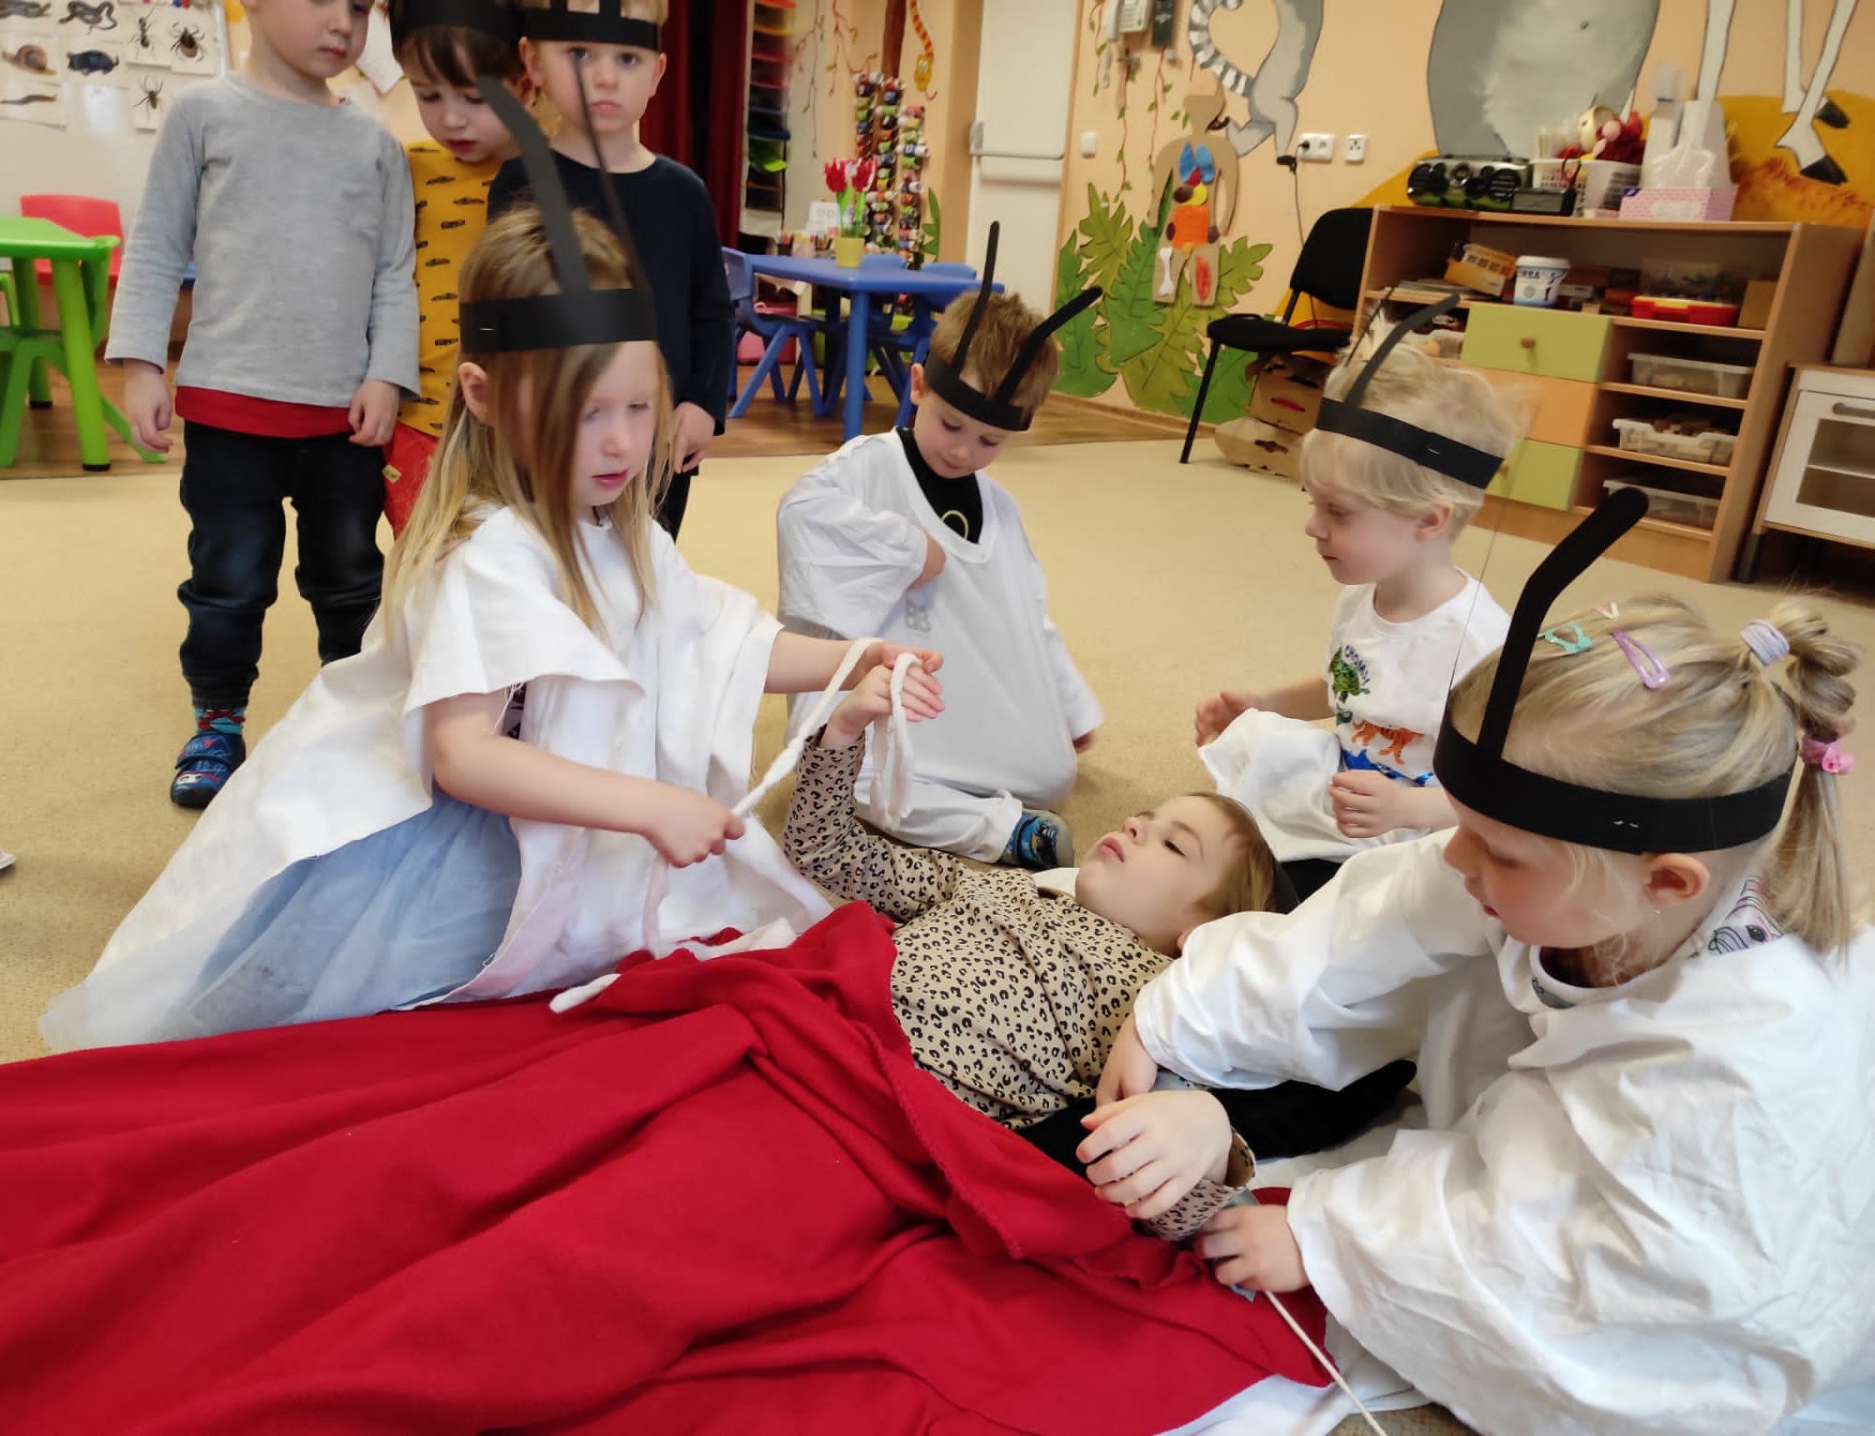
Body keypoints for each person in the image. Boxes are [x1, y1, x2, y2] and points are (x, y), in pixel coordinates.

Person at [44, 193, 932, 1053]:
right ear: (484, 393)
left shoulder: (610, 523)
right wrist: (649, 804)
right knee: (352, 1026)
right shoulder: (487, 553)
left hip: (556, 805)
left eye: (637, 407)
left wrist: (856, 659)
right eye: (587, 414)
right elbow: (462, 756)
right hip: (448, 832)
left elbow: (714, 639)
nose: (623, 443)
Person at [1091, 500, 1874, 1430]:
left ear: (1667, 881)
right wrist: (1178, 1016)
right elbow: (1368, 924)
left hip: (1720, 1267)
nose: (1457, 857)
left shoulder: (1735, 1067)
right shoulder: (1584, 882)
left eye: (1498, 849)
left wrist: (1329, 1235)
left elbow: (1587, 1265)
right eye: (1462, 825)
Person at [781, 659, 1284, 1238]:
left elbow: (1172, 1195)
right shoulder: (1001, 885)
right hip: (812, 1031)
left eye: (1174, 845)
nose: (1133, 824)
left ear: (1201, 935)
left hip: (879, 1118)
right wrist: (842, 735)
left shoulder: (1154, 1007)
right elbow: (823, 851)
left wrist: (1213, 1136)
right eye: (1144, 817)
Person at [108, 0, 419, 809]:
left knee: (349, 583)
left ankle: (351, 722)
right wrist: (141, 364)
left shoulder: (375, 143)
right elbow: (156, 244)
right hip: (229, 411)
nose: (344, 23)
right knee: (228, 582)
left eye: (360, 7)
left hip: (344, 421)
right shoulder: (202, 114)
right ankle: (218, 721)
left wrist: (387, 374)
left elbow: (394, 271)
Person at [776, 239, 1104, 870]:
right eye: (951, 425)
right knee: (845, 772)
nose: (962, 452)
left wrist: (1070, 703)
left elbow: (1028, 613)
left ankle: (1004, 795)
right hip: (881, 701)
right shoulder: (866, 468)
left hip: (961, 696)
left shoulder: (1000, 508)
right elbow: (801, 516)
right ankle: (1004, 832)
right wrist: (903, 548)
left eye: (989, 441)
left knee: (1051, 773)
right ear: (919, 385)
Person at [1194, 315, 1516, 898]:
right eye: (1314, 504)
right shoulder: (1363, 596)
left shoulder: (1482, 644)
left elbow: (1502, 792)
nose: (1312, 527)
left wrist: (1410, 808)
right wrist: (1266, 703)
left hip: (1425, 830)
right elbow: (1346, 687)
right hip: (1352, 796)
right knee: (1245, 781)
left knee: (1311, 898)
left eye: (1338, 512)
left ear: (1428, 520)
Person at [486, 0, 730, 542]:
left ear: (657, 73)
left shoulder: (684, 195)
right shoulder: (519, 184)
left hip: (655, 444)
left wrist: (703, 405)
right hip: (550, 438)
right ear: (534, 62)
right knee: (546, 567)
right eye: (579, 53)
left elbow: (712, 313)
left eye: (626, 58)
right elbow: (495, 316)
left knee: (643, 570)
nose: (603, 77)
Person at [380, 0, 528, 535]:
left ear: (525, 84)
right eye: (428, 95)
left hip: (521, 428)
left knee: (518, 559)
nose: (451, 118)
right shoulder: (405, 168)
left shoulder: (553, 176)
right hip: (419, 423)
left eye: (475, 97)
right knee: (427, 560)